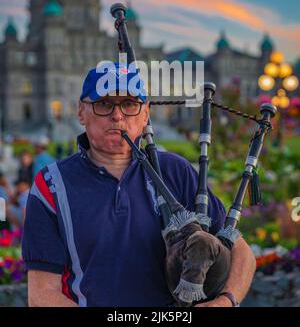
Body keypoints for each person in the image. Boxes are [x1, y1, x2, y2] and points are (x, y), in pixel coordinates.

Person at [22, 62, 256, 307]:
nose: (117, 115)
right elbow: (41, 294)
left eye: (129, 104)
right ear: (81, 112)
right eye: (103, 104)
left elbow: (241, 252)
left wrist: (225, 301)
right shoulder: (52, 184)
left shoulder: (175, 171)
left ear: (145, 114)